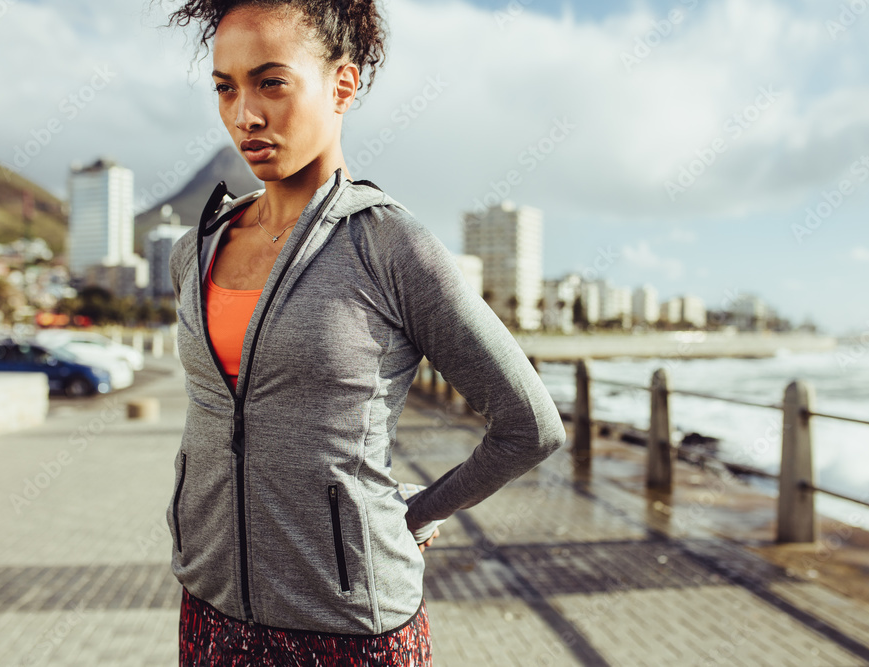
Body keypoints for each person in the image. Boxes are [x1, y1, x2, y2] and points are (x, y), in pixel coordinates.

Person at [162, 0, 568, 664]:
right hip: (209, 612)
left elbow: (529, 423)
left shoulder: (389, 245)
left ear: (342, 85)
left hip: (350, 628)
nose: (245, 115)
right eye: (225, 88)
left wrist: (410, 513)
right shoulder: (195, 250)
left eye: (271, 82)